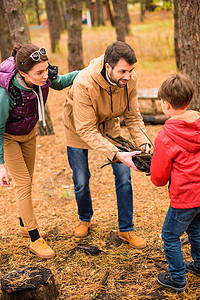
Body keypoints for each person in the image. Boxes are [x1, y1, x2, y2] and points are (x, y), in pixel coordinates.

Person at [62, 41, 150, 249]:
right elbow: (86, 129)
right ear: (108, 67)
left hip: (109, 125)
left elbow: (133, 116)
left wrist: (143, 143)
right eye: (122, 71)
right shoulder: (84, 83)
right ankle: (85, 218)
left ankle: (126, 229)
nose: (127, 76)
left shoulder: (129, 79)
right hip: (78, 127)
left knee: (123, 177)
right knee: (81, 179)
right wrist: (115, 154)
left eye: (131, 70)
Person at [0, 44, 79, 259]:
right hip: (8, 139)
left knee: (28, 180)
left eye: (46, 70)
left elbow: (61, 82)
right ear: (23, 73)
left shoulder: (44, 78)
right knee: (23, 184)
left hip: (29, 135)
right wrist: (0, 165)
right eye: (39, 73)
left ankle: (23, 225)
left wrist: (90, 70)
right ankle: (35, 238)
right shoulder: (6, 94)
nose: (46, 76)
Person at [150, 74, 200, 292]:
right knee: (196, 229)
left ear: (165, 104)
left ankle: (177, 279)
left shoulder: (166, 136)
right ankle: (199, 265)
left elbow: (159, 178)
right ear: (189, 100)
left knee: (170, 235)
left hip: (184, 198)